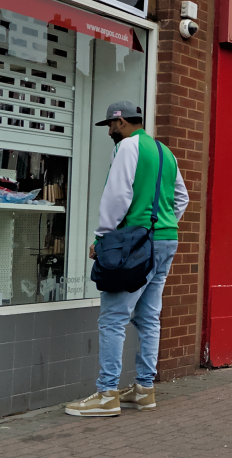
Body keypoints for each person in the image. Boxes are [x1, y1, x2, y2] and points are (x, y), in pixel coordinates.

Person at [65, 101, 189, 417]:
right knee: (148, 317)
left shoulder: (128, 148)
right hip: (165, 240)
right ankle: (144, 390)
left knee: (113, 317)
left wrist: (103, 236)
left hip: (135, 244)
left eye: (110, 125)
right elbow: (181, 198)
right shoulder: (165, 153)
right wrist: (163, 223)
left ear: (121, 122)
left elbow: (117, 194)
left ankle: (107, 394)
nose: (109, 131)